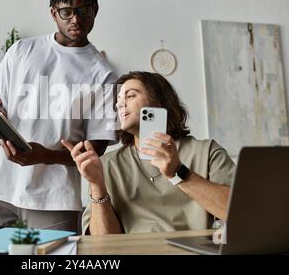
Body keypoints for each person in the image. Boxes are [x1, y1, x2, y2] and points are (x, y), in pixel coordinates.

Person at [0, 0, 118, 234]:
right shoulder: (21, 51)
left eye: (84, 10)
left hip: (55, 198)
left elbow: (95, 149)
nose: (76, 19)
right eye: (67, 11)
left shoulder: (103, 74)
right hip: (0, 187)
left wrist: (44, 156)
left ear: (95, 11)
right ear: (54, 13)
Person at [62, 71, 235, 235]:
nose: (120, 103)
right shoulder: (107, 164)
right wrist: (97, 185)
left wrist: (178, 172)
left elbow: (239, 213)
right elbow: (103, 243)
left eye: (130, 96)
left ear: (158, 102)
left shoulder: (206, 151)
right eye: (118, 99)